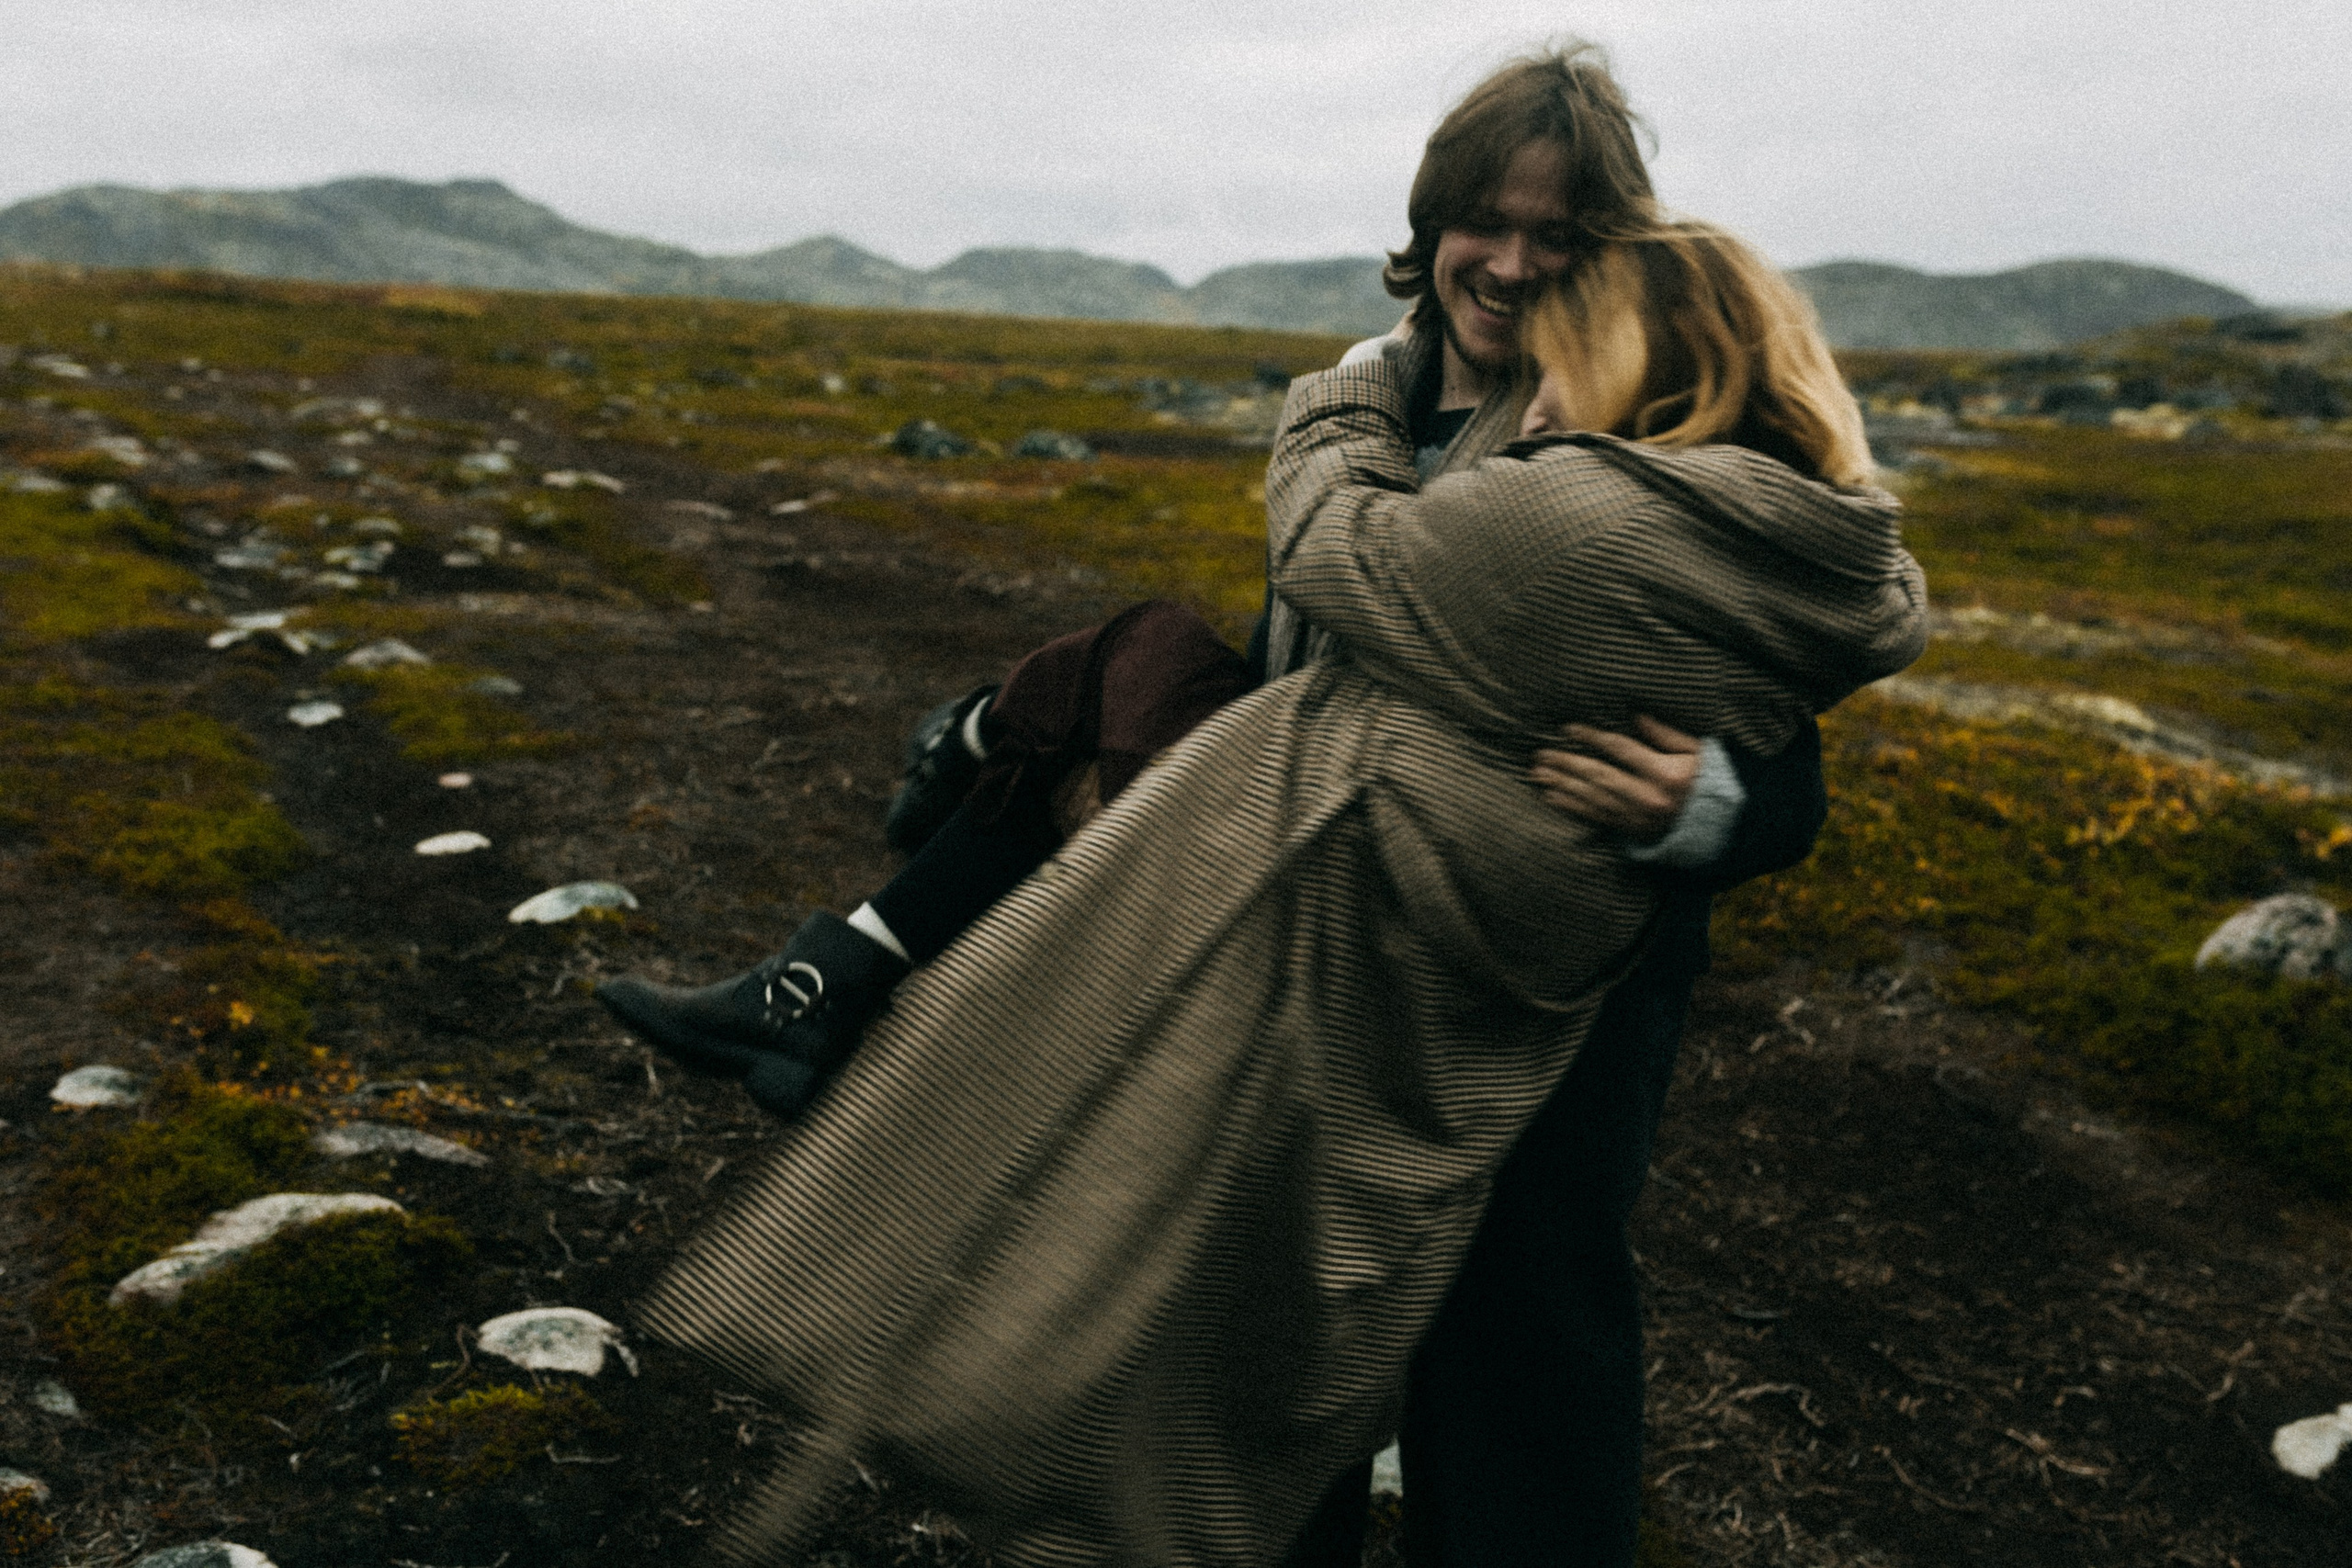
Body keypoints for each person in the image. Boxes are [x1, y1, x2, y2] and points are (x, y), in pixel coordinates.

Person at [603, 42, 1827, 1568]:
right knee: (1254, 1310)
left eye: (1557, 233)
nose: (1510, 263)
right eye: (1484, 222)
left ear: (1609, 250)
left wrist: (1715, 799)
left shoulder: (1624, 425)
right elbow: (1309, 670)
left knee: (1518, 1335)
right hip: (1322, 944)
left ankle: (866, 922)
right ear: (1432, 221)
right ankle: (897, 890)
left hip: (1551, 999)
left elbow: (1777, 720)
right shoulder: (1392, 398)